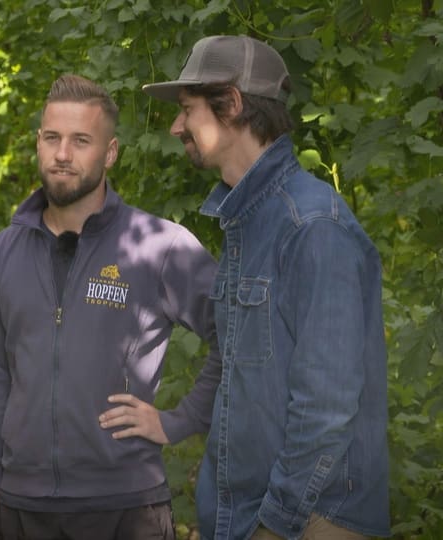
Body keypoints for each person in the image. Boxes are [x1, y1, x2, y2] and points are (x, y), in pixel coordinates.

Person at [142, 35, 390, 539]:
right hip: (247, 515)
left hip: (309, 523)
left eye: (186, 110)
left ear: (231, 104)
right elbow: (235, 360)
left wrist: (273, 527)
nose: (175, 126)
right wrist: (175, 423)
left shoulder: (313, 226)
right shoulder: (249, 223)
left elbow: (325, 410)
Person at [0, 74, 222, 540]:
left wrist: (179, 421)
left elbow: (237, 334)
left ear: (109, 154)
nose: (62, 154)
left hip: (126, 506)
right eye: (52, 138)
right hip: (23, 504)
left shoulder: (159, 247)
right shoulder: (3, 252)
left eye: (81, 141)